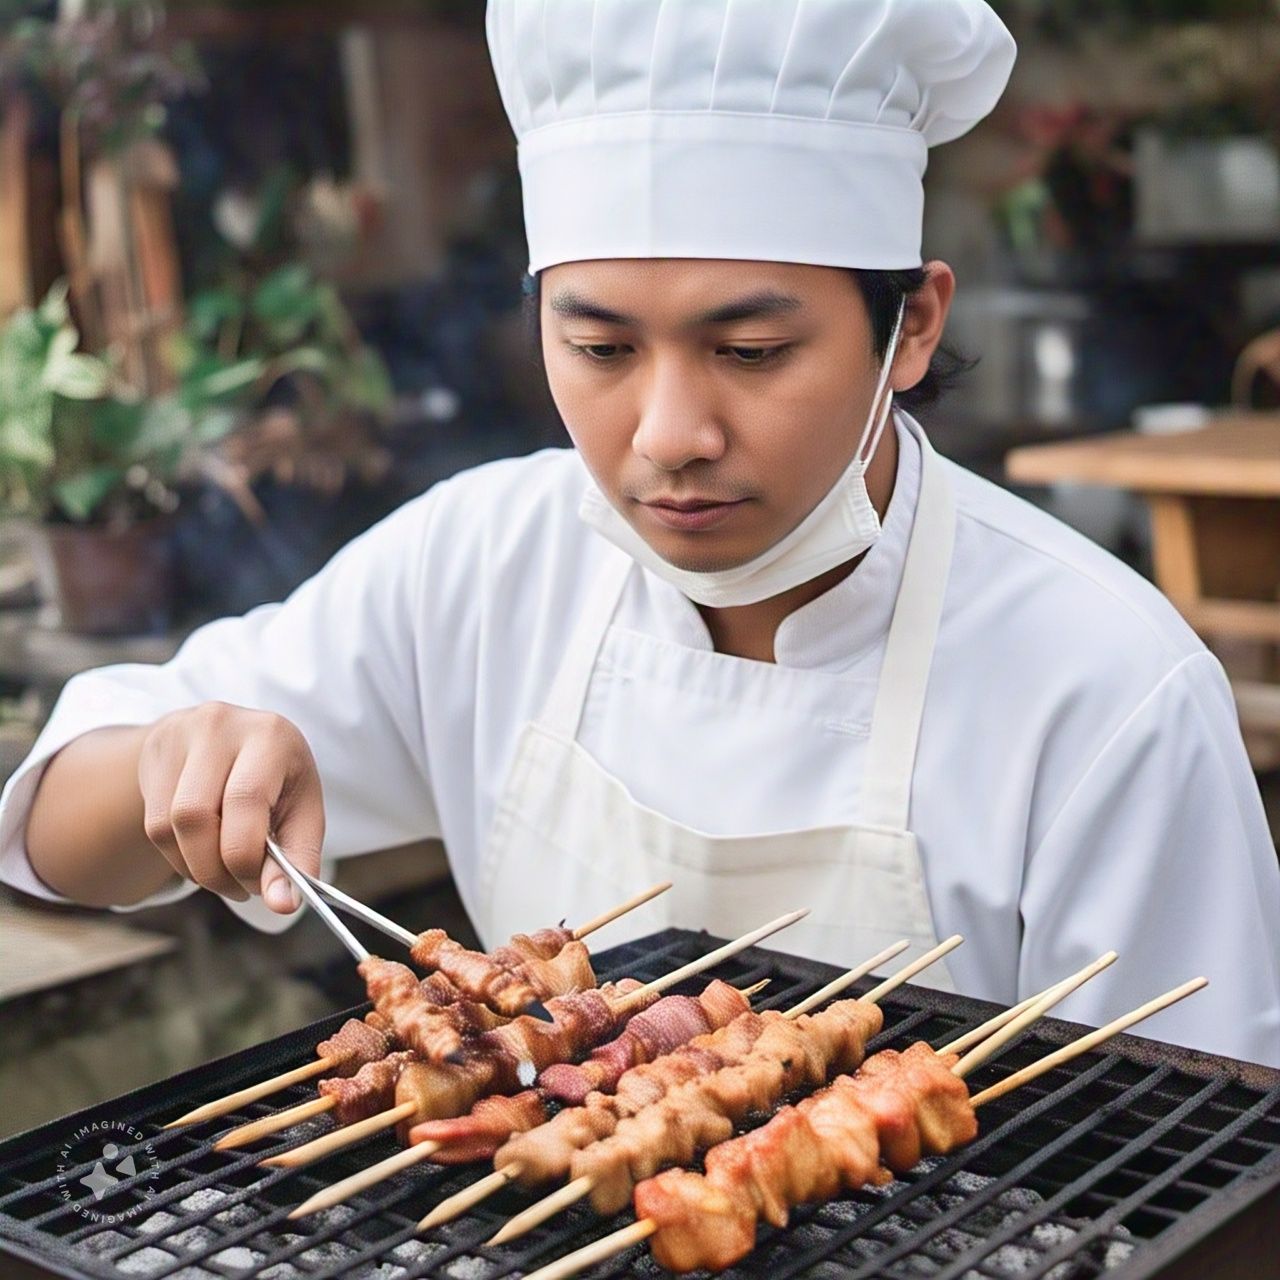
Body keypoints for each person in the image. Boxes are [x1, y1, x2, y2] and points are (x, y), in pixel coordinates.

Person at [2, 0, 1278, 1066]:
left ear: (914, 326)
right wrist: (175, 766)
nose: (668, 432)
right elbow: (53, 834)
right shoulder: (484, 563)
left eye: (751, 349)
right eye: (599, 345)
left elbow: (1206, 1168)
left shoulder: (1105, 684)